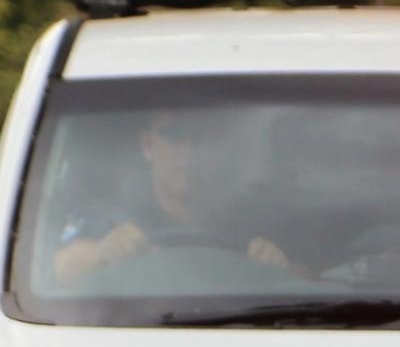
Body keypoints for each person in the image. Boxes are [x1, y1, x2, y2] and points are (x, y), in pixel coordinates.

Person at [54, 112, 290, 286]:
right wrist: (102, 252)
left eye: (200, 136)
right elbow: (60, 269)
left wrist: (280, 268)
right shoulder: (112, 210)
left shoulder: (255, 214)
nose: (187, 149)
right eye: (175, 134)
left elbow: (316, 278)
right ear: (148, 145)